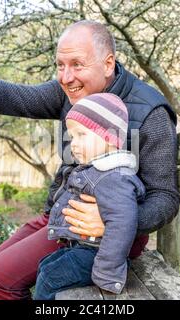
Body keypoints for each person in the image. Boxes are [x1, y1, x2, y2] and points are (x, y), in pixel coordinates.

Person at [0, 20, 180, 300]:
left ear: (108, 64)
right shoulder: (71, 92)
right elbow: (17, 97)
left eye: (77, 65)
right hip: (62, 213)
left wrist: (112, 220)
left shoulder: (149, 112)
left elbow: (165, 196)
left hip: (101, 237)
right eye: (60, 65)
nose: (66, 77)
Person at [34, 93, 145, 300]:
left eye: (81, 135)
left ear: (108, 137)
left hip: (98, 255)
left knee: (49, 277)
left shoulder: (114, 176)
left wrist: (107, 273)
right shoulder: (98, 170)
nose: (73, 144)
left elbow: (122, 224)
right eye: (72, 137)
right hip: (84, 247)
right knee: (45, 266)